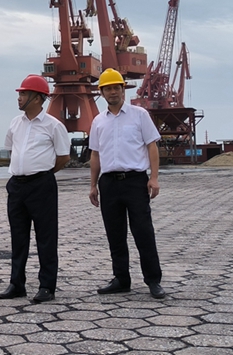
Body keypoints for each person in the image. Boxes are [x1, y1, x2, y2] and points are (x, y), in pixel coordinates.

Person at [89, 68, 165, 299]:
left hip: (134, 181)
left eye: (116, 87)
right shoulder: (98, 121)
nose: (113, 92)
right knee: (115, 234)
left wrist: (154, 178)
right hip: (109, 183)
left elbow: (152, 145)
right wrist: (93, 185)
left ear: (123, 89)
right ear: (101, 92)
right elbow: (95, 154)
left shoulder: (139, 115)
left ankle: (153, 280)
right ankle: (121, 279)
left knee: (143, 231)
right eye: (108, 89)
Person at [0, 75, 70, 303]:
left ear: (38, 98)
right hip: (17, 185)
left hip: (41, 185)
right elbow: (13, 150)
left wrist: (43, 172)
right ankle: (16, 284)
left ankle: (47, 286)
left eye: (24, 94)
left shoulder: (53, 125)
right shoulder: (15, 123)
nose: (19, 98)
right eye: (19, 94)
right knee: (18, 237)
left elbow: (63, 157)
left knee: (46, 237)